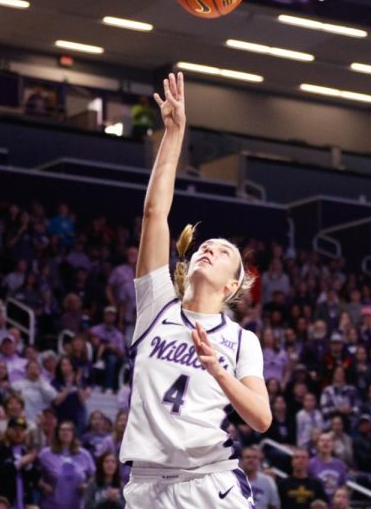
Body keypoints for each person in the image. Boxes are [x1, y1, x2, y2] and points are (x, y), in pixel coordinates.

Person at [119, 73, 270, 509]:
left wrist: (219, 372)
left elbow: (261, 418)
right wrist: (174, 133)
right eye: (206, 245)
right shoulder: (156, 306)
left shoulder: (242, 341)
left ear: (234, 283)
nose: (209, 249)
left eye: (223, 251)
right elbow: (154, 213)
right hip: (147, 485)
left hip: (210, 483)